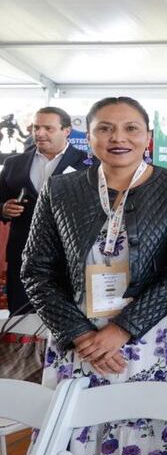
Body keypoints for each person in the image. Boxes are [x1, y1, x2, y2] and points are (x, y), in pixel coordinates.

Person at [21, 96, 167, 455]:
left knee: (145, 426)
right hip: (75, 336)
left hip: (149, 340)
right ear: (89, 136)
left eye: (130, 128)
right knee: (72, 430)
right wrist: (83, 336)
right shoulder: (62, 188)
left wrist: (123, 330)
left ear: (148, 137)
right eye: (105, 128)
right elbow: (35, 270)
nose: (118, 137)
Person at [0, 106, 88, 313]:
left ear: (66, 131)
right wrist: (4, 209)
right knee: (22, 317)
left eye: (48, 128)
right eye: (36, 127)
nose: (40, 133)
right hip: (22, 256)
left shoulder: (88, 164)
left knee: (67, 318)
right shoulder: (14, 164)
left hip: (70, 257)